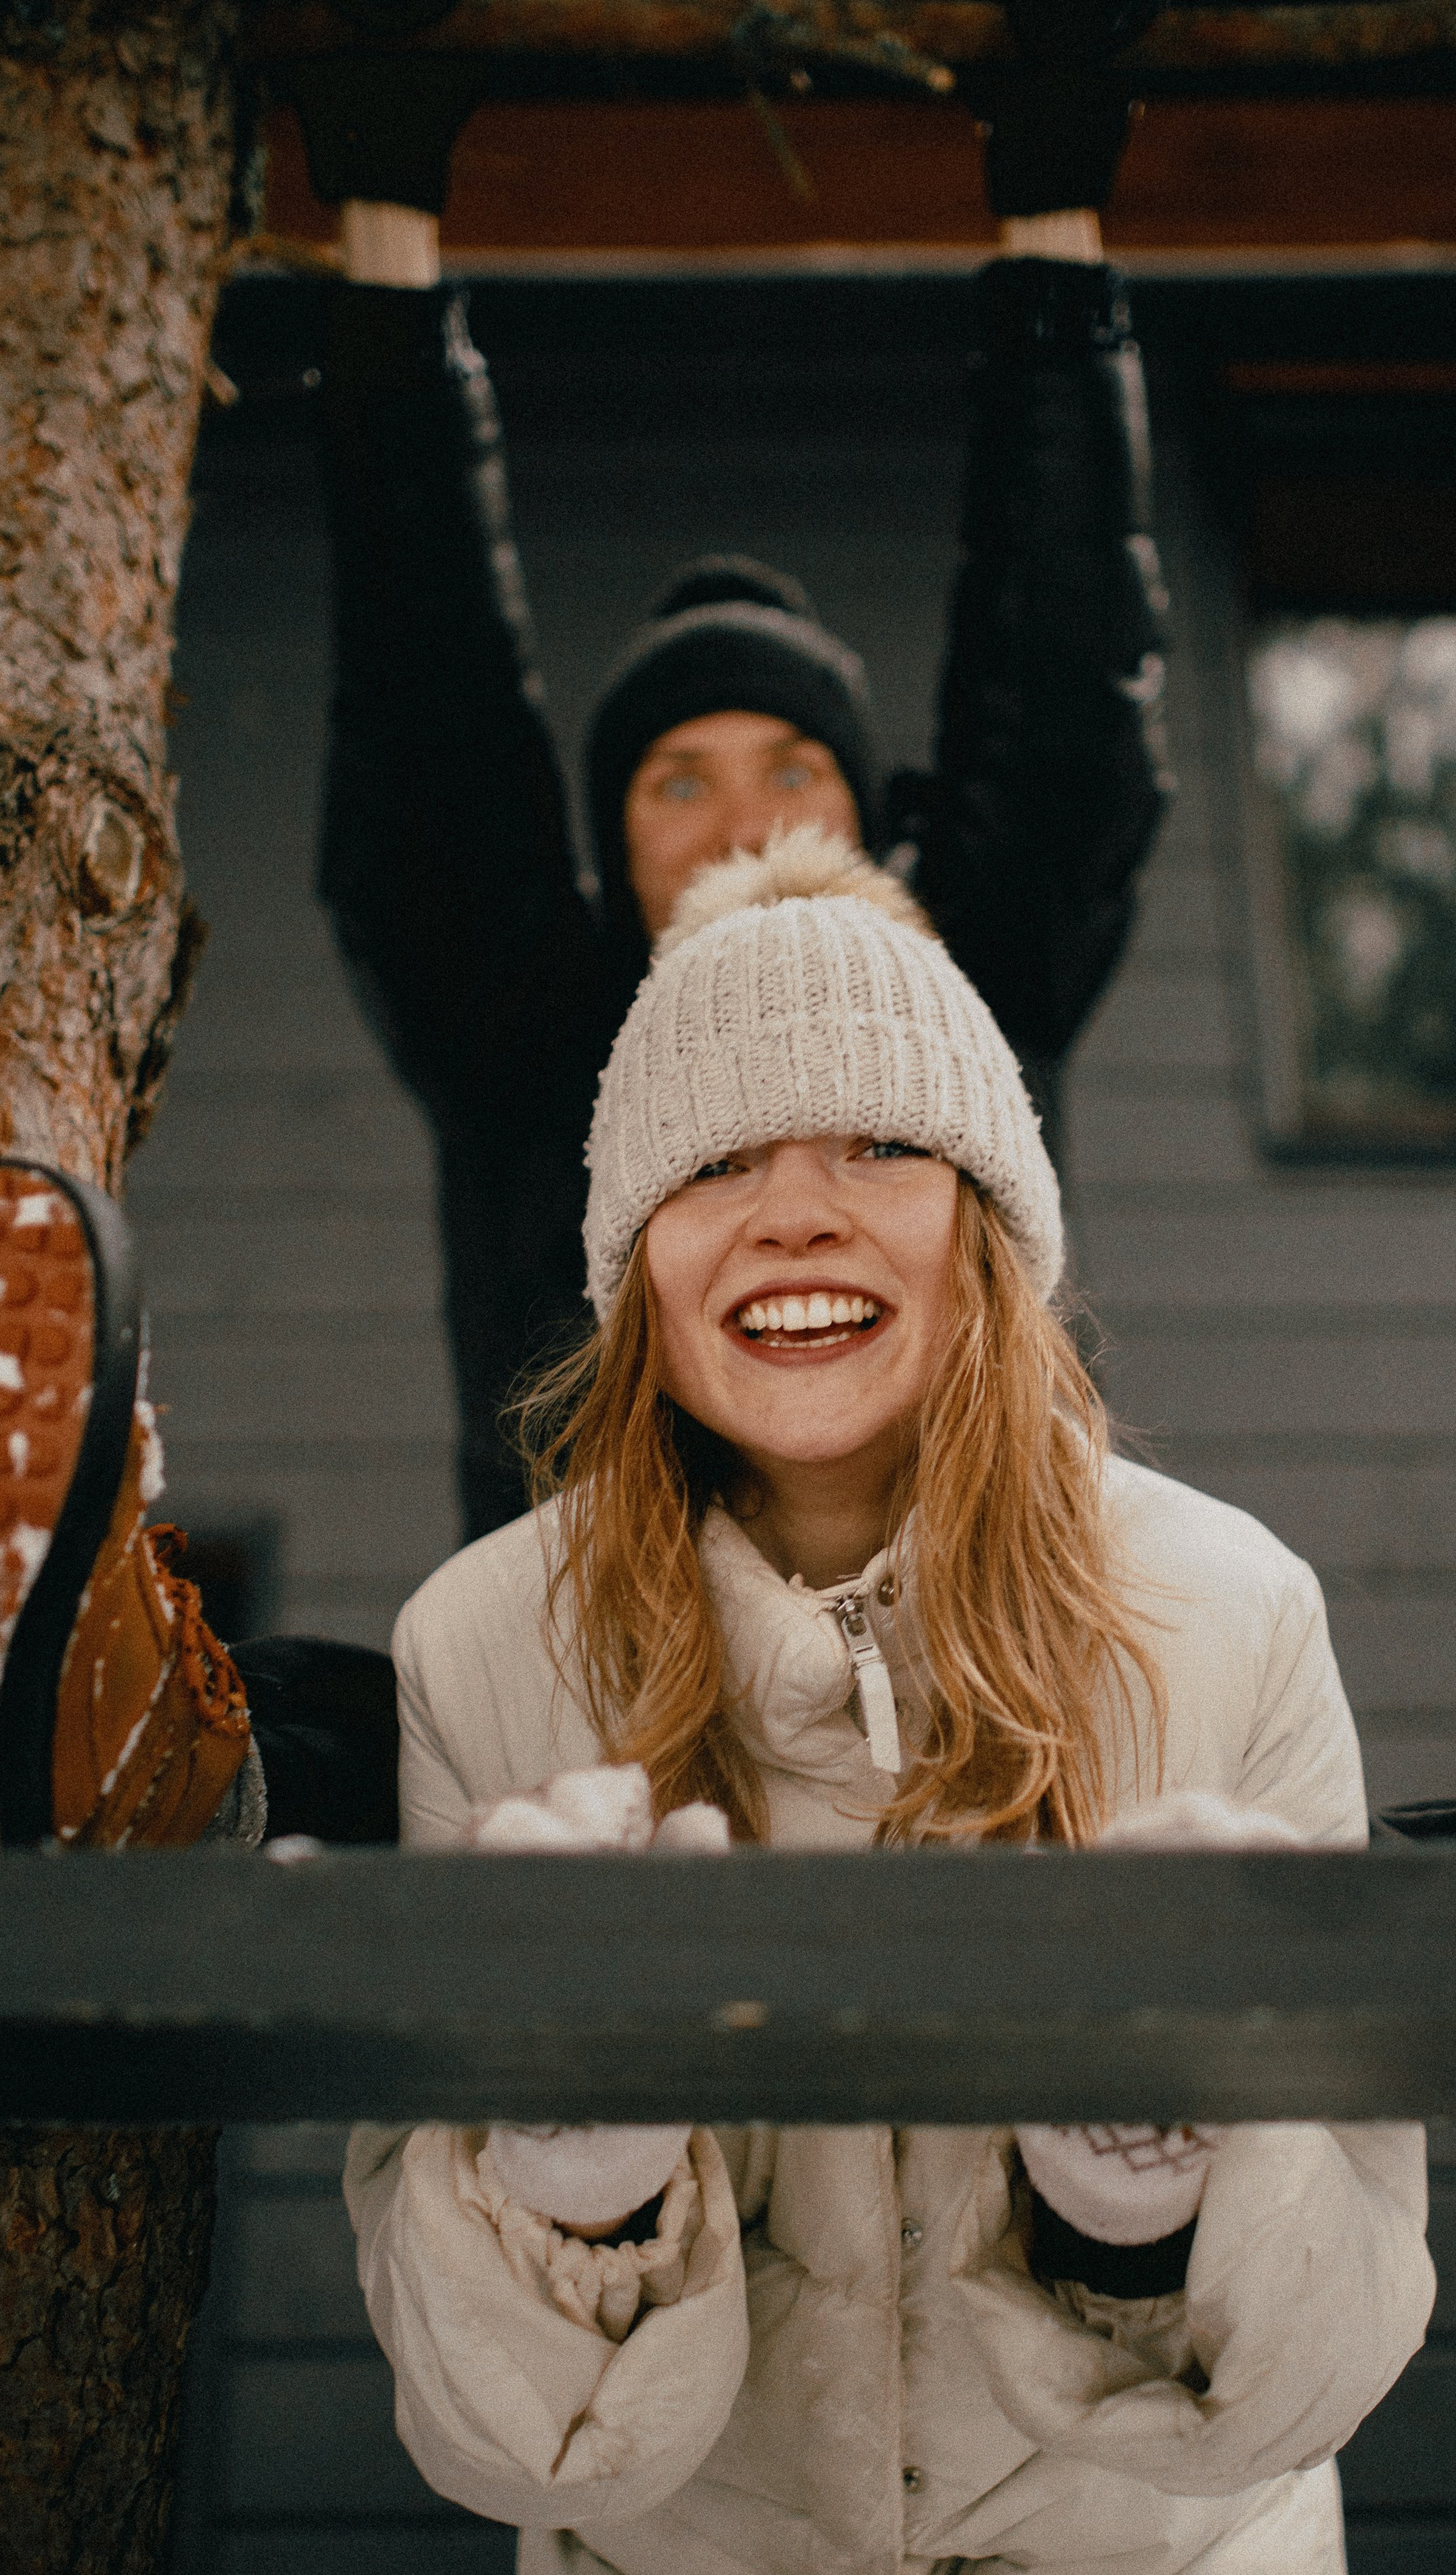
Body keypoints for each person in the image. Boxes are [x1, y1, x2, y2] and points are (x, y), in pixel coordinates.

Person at [347, 830, 1436, 2575]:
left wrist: (1136, 2204)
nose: (793, 1213)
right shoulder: (480, 1648)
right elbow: (482, 2435)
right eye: (715, 1160)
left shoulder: (1228, 1609)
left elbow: (1334, 2337)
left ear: (990, 1227)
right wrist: (573, 2181)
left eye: (875, 1143)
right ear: (633, 1260)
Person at [300, 13, 1173, 1541]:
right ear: (606, 848)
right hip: (597, 1694)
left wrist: (1052, 227)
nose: (747, 821)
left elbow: (1060, 692)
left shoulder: (967, 1004)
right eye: (677, 784)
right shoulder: (525, 1033)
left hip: (975, 1658)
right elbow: (423, 711)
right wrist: (386, 230)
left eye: (791, 768)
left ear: (869, 822)